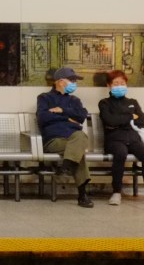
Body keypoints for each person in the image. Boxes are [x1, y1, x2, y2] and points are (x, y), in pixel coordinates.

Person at [98, 70, 144, 206]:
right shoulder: (104, 103)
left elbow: (142, 121)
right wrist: (130, 116)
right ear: (109, 85)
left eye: (122, 83)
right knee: (120, 154)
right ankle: (116, 192)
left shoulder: (133, 102)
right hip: (114, 139)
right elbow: (110, 121)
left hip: (133, 138)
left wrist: (121, 119)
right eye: (116, 83)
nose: (119, 86)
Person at [37, 66, 93, 208]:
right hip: (55, 140)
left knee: (80, 136)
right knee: (79, 149)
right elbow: (43, 118)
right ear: (61, 81)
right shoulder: (44, 98)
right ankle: (82, 195)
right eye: (72, 80)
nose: (75, 83)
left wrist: (61, 111)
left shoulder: (75, 100)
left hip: (74, 137)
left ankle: (66, 165)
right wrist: (68, 118)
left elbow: (82, 116)